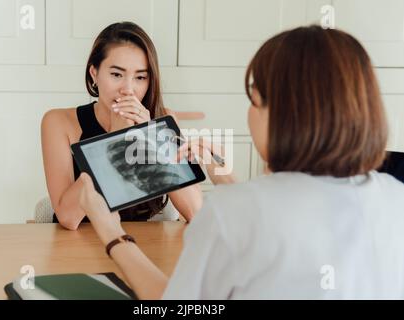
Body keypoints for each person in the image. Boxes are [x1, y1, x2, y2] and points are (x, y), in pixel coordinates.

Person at [77, 25, 404, 299]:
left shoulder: (231, 213)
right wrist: (226, 179)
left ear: (281, 113)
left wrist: (112, 234)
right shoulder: (394, 197)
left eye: (254, 98)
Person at [41, 22, 202, 230]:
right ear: (94, 73)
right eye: (116, 74)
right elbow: (68, 218)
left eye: (140, 77)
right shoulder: (58, 122)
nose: (128, 90)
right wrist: (115, 140)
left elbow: (195, 211)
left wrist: (151, 136)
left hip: (142, 247)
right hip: (79, 244)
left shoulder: (163, 119)